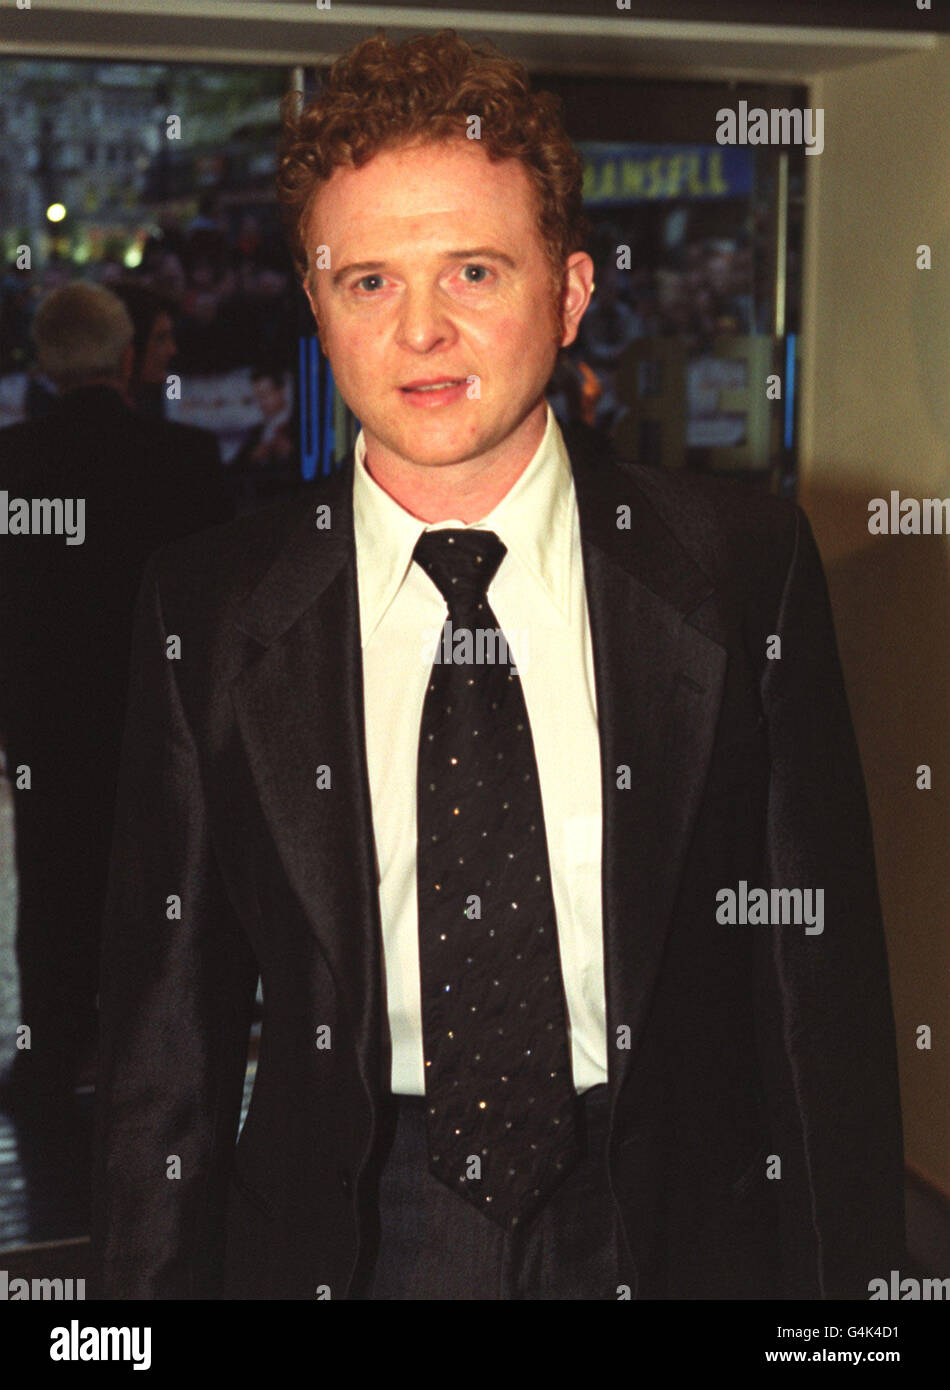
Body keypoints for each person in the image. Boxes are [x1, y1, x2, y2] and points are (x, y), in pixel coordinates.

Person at [91, 30, 904, 1301]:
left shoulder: (740, 565)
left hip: (671, 1227)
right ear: (316, 306)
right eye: (367, 281)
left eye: (472, 269)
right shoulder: (211, 606)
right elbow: (164, 1042)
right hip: (350, 1234)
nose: (420, 329)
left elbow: (817, 998)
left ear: (570, 292)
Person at [0, 281, 233, 1110]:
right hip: (152, 719)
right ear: (127, 357)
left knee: (52, 885)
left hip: (44, 724)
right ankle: (149, 1058)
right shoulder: (182, 463)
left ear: (44, 361)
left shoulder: (13, 464)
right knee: (155, 889)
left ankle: (49, 1056)